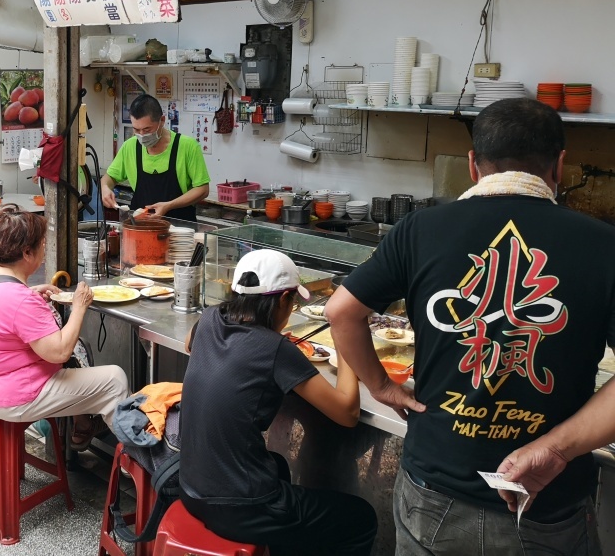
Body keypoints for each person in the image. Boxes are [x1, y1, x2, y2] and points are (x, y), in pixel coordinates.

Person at [327, 97, 615, 555]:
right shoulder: (604, 245)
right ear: (559, 166)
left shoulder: (420, 229)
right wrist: (557, 449)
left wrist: (380, 386)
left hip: (435, 491)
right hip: (544, 504)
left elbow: (340, 312)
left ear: (473, 165)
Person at [180, 249, 377, 556]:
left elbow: (190, 344)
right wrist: (347, 342)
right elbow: (348, 412)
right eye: (293, 301)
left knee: (280, 467)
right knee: (361, 518)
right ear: (283, 300)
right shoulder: (274, 349)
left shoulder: (209, 319)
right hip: (239, 508)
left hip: (191, 488)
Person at [0, 205, 129, 449]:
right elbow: (59, 352)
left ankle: (85, 427)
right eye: (42, 244)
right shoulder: (20, 300)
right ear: (27, 252)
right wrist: (79, 306)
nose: (44, 249)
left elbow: (1, 305)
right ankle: (134, 463)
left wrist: (29, 292)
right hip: (17, 396)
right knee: (115, 380)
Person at [101, 94, 209, 221]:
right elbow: (109, 177)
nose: (141, 135)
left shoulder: (187, 146)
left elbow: (203, 189)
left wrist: (169, 205)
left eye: (147, 129)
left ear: (162, 121)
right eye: (136, 129)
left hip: (180, 231)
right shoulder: (129, 147)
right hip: (140, 228)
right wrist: (105, 188)